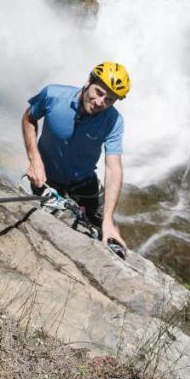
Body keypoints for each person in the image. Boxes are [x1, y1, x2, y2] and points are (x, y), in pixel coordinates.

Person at [21, 62, 130, 250]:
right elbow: (29, 118)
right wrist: (34, 160)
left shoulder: (113, 121)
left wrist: (107, 218)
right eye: (99, 92)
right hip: (46, 178)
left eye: (109, 100)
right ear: (88, 81)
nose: (100, 102)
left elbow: (113, 168)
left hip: (84, 180)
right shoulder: (53, 95)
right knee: (49, 233)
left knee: (107, 226)